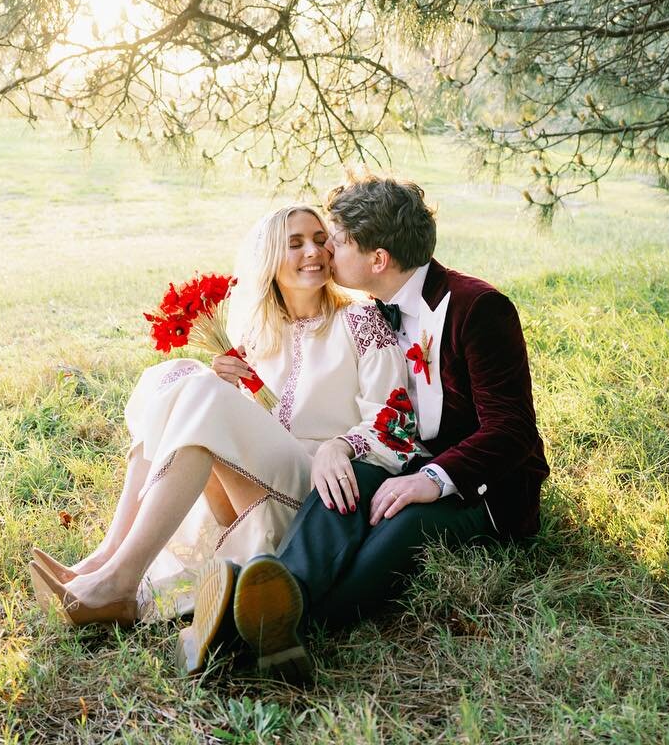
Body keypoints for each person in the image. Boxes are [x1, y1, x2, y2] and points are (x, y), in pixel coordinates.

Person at [184, 174, 550, 680]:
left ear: (377, 261)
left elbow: (511, 430)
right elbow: (375, 407)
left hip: (484, 491)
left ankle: (256, 626)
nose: (326, 251)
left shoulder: (477, 308)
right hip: (408, 458)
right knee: (344, 486)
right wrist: (338, 444)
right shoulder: (376, 310)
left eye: (337, 241)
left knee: (395, 529)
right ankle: (271, 609)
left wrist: (431, 481)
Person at [28, 204, 423, 665]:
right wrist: (225, 388)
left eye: (320, 239)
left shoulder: (359, 322)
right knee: (177, 373)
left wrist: (343, 445)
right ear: (270, 257)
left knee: (201, 390)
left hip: (317, 489)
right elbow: (253, 425)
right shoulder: (259, 335)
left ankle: (118, 578)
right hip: (253, 486)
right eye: (294, 244)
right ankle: (106, 559)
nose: (313, 251)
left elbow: (394, 424)